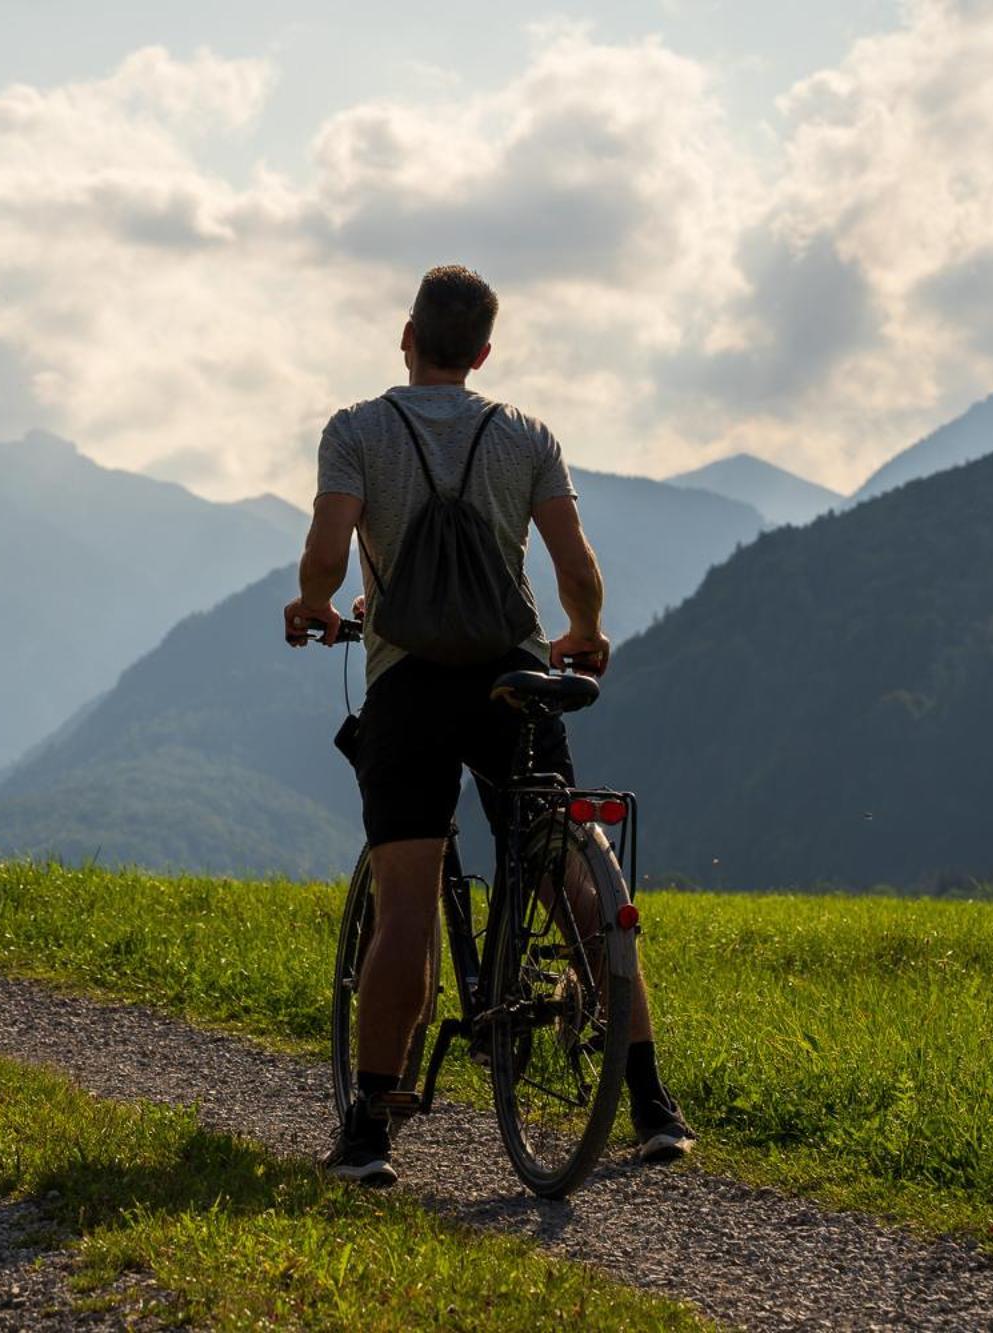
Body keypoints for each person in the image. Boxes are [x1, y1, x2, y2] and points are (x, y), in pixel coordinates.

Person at [283, 264, 694, 1187]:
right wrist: (583, 633)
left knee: (407, 902)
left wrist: (314, 605)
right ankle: (651, 1104)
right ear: (483, 353)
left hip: (411, 685)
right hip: (516, 680)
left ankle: (371, 1127)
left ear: (406, 337)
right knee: (573, 881)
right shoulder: (526, 435)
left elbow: (325, 554)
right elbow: (576, 570)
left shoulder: (358, 430)